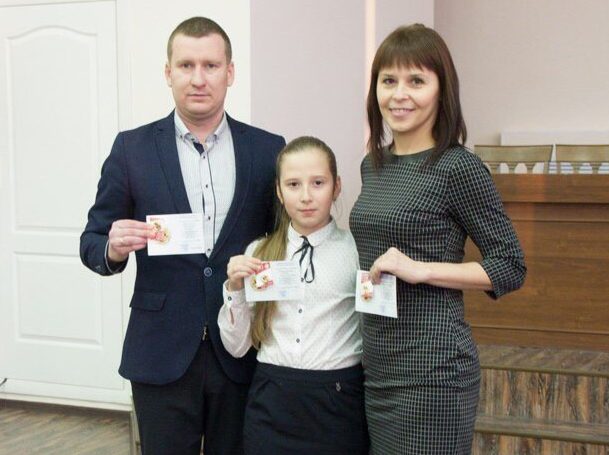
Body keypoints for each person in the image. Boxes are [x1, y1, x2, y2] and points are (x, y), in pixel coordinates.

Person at [80, 16, 285, 455]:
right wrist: (112, 248)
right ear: (168, 72)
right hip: (160, 350)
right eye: (186, 65)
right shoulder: (131, 148)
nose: (198, 78)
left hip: (242, 350)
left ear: (230, 72)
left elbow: (284, 242)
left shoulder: (268, 149)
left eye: (211, 65)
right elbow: (92, 241)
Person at [349, 24, 526, 454]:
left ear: (441, 90)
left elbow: (510, 265)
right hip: (378, 364)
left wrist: (421, 269)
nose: (399, 94)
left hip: (433, 371)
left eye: (416, 81)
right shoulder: (373, 165)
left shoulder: (457, 167)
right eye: (388, 81)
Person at [218, 136, 369, 455]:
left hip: (338, 401)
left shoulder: (358, 251)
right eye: (293, 184)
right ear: (279, 191)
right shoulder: (258, 253)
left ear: (337, 186)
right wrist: (234, 289)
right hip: (271, 401)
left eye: (318, 183)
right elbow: (236, 347)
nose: (306, 197)